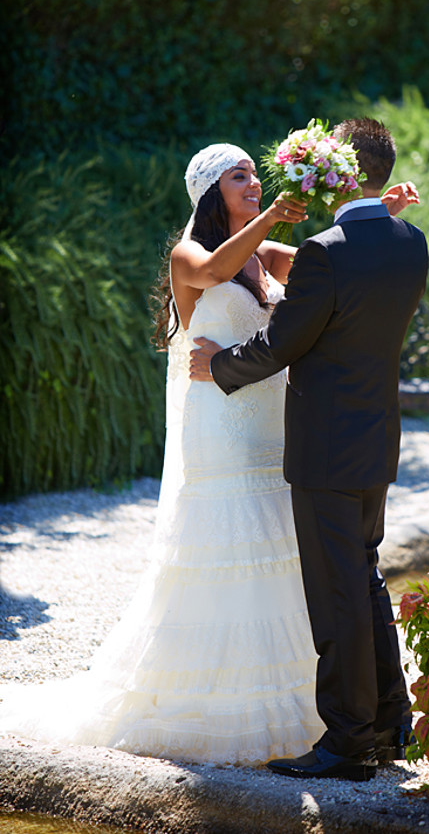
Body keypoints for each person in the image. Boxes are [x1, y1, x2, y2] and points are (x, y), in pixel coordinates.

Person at [0, 144, 324, 764]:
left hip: (270, 424)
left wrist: (368, 212)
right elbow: (210, 274)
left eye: (256, 174)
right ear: (210, 192)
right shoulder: (190, 253)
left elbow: (323, 264)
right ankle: (210, 702)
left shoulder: (265, 253)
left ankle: (298, 699)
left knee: (277, 550)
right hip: (220, 426)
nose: (254, 182)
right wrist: (271, 218)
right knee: (229, 545)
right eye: (240, 176)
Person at [189, 118, 429, 781]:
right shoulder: (410, 242)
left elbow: (283, 341)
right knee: (366, 577)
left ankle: (346, 745)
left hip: (325, 446)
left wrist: (221, 367)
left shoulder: (327, 250)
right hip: (377, 437)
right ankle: (388, 725)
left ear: (340, 173)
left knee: (336, 593)